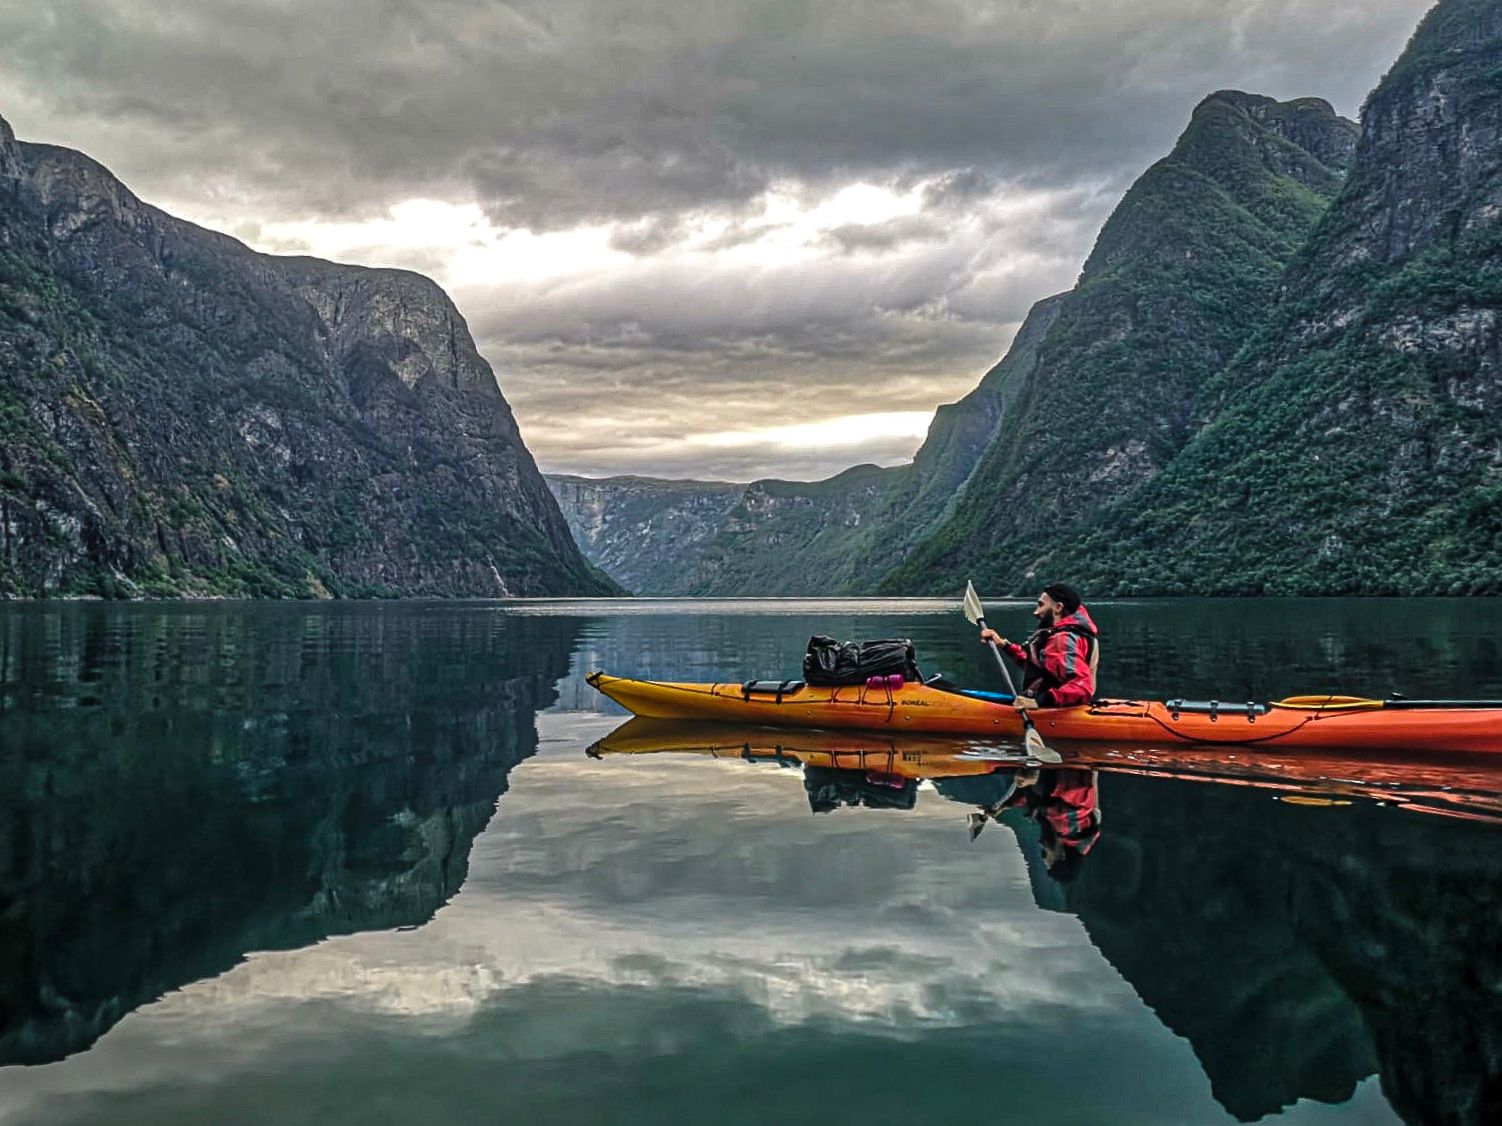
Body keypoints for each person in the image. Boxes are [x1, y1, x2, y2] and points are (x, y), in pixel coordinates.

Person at [979, 582, 1099, 709]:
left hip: (1051, 711)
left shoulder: (1062, 639)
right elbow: (1037, 666)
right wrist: (1004, 644)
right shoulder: (1064, 635)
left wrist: (1038, 702)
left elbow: (1081, 687)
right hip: (1053, 707)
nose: (1036, 612)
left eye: (1041, 605)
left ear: (1058, 608)